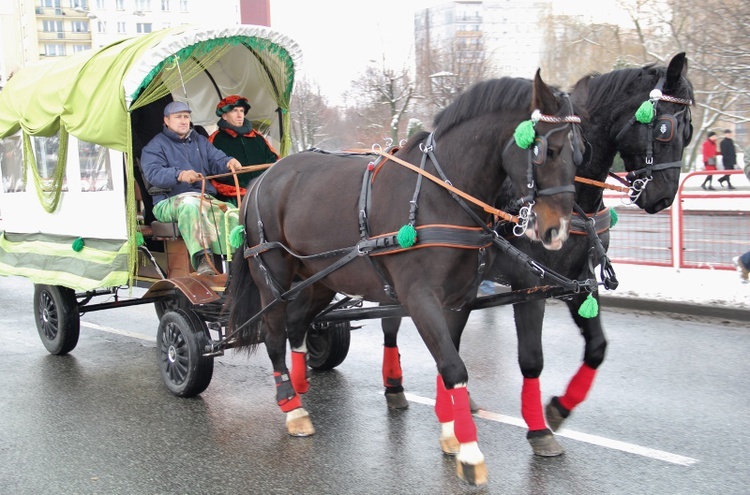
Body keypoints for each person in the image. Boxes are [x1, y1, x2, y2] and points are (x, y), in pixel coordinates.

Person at [141, 101, 242, 276]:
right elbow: (154, 173)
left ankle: (238, 262)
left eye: (186, 117)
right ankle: (203, 259)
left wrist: (228, 162)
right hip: (167, 202)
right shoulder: (154, 146)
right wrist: (179, 175)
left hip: (203, 198)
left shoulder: (200, 141)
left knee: (232, 211)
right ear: (166, 120)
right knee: (190, 205)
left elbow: (216, 160)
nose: (183, 121)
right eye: (178, 117)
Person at [208, 95, 279, 203]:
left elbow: (273, 159)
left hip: (265, 190)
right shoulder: (215, 140)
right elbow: (214, 173)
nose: (239, 115)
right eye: (234, 111)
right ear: (224, 116)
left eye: (242, 111)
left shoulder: (257, 137)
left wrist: (264, 184)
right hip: (235, 195)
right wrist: (244, 189)